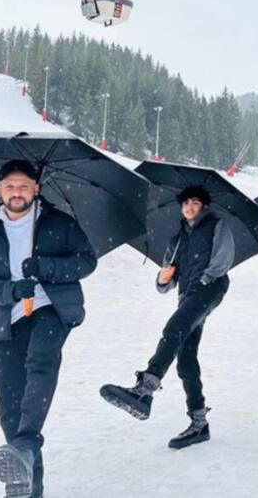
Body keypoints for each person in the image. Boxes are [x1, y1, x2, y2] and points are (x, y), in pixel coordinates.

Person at [0, 159, 97, 498]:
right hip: (6, 322)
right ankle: (24, 479)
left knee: (40, 362)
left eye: (23, 186)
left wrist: (45, 267)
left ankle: (25, 446)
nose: (16, 192)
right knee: (9, 403)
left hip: (52, 309)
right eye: (10, 186)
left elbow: (86, 260)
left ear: (36, 189)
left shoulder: (59, 223)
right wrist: (8, 291)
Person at [100, 185, 234, 449]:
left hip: (210, 288)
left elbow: (223, 258)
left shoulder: (217, 225)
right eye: (186, 203)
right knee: (185, 359)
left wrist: (205, 279)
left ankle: (144, 390)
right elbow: (165, 280)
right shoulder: (178, 240)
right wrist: (163, 280)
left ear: (204, 206)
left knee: (174, 329)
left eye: (195, 202)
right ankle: (199, 424)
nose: (190, 207)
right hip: (187, 294)